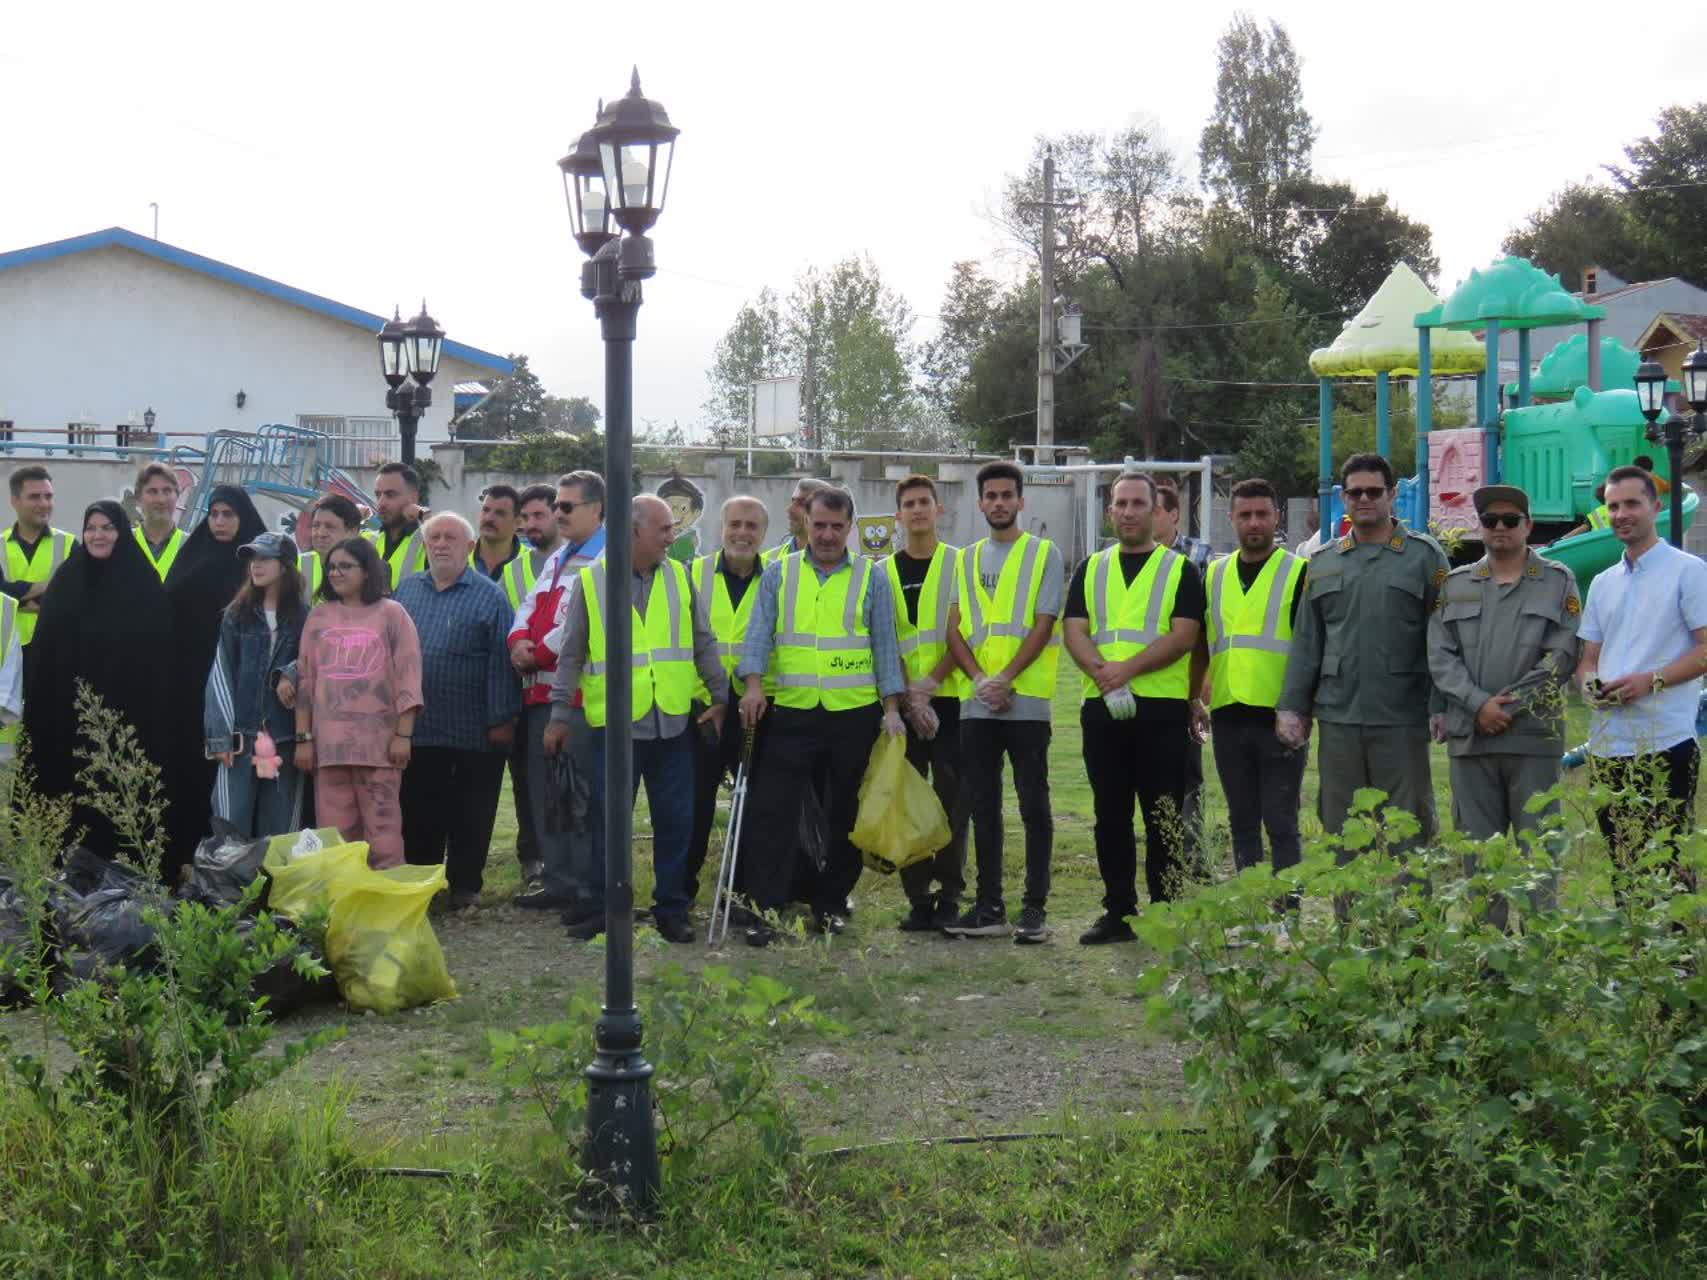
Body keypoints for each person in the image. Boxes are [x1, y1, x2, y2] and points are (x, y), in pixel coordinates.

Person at [545, 496, 729, 943]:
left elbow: (703, 642)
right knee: (609, 823)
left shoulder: (681, 578)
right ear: (633, 531)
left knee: (675, 821)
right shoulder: (592, 582)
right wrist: (558, 715)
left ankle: (672, 909)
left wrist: (721, 697)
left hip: (671, 724)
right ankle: (606, 907)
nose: (673, 536)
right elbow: (571, 655)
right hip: (617, 728)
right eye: (665, 529)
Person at [737, 486, 907, 945]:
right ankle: (767, 909)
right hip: (791, 711)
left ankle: (830, 904)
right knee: (772, 813)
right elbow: (758, 635)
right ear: (805, 524)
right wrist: (753, 686)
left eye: (836, 526)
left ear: (850, 527)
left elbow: (885, 647)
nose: (828, 535)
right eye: (819, 525)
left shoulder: (872, 579)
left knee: (845, 814)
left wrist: (892, 709)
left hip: (853, 715)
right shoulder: (778, 573)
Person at [1277, 452, 1449, 854]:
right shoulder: (1322, 562)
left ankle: (1409, 918)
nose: (1364, 499)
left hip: (1402, 717)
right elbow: (1307, 640)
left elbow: (1443, 638)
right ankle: (1350, 918)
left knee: (1410, 831)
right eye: (1355, 493)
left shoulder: (1425, 557)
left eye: (1374, 491)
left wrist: (1440, 704)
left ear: (1391, 494)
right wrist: (1292, 706)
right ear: (1344, 498)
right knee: (1342, 831)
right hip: (1339, 718)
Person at [1429, 485, 1581, 925]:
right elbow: (1440, 654)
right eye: (1490, 520)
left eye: (1510, 520)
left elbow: (1563, 653)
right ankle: (1488, 957)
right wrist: (1479, 706)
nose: (1499, 527)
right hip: (1472, 741)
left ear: (1528, 526)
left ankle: (1537, 956)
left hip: (1533, 741)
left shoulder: (1558, 581)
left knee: (1540, 859)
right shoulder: (1455, 585)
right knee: (1479, 859)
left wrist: (1507, 708)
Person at [1063, 471, 1205, 942]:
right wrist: (1103, 672)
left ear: (1155, 510)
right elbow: (1075, 630)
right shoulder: (1091, 567)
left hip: (1160, 710)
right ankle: (1119, 911)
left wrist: (1128, 670)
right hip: (1102, 708)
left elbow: (1184, 636)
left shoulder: (1179, 569)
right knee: (1110, 815)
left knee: (1162, 814)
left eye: (1137, 504)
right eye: (1120, 504)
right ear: (1110, 511)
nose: (1128, 512)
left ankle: (1165, 911)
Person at [942, 461, 1064, 944]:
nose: (998, 503)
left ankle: (1034, 906)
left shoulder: (1043, 554)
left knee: (1034, 803)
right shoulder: (966, 559)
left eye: (1006, 495)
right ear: (980, 503)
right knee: (982, 805)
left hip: (1026, 699)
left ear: (1020, 501)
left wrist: (1006, 678)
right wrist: (978, 680)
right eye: (990, 496)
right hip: (978, 703)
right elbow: (955, 629)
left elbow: (1044, 621)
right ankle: (989, 906)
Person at [1574, 464, 1707, 899]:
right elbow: (1588, 658)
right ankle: (1632, 961)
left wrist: (1651, 681)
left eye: (1631, 503)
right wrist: (1589, 685)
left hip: (1665, 741)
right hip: (1608, 745)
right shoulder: (1602, 583)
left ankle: (1679, 963)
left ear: (1655, 506)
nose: (1620, 513)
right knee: (1622, 863)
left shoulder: (1688, 572)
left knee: (1666, 863)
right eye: (1612, 506)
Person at [24, 502, 174, 862]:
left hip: (125, 717)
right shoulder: (67, 579)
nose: (98, 535)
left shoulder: (142, 582)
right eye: (91, 527)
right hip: (69, 716)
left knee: (117, 798)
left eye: (107, 527)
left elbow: (158, 654)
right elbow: (47, 650)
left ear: (121, 532)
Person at [396, 513, 521, 910]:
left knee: (473, 811)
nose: (441, 544)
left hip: (473, 729)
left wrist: (502, 719)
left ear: (469, 547)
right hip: (421, 725)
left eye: (451, 537)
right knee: (419, 809)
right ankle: (423, 884)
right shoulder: (407, 591)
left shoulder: (490, 595)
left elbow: (502, 663)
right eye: (434, 537)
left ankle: (466, 885)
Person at [1197, 477, 1308, 908]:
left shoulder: (1298, 573)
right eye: (1245, 515)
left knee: (1281, 821)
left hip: (1279, 717)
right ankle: (1253, 906)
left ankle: (1287, 912)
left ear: (1277, 518)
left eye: (1262, 514)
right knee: (1242, 820)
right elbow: (1205, 641)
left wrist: (1301, 709)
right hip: (1228, 713)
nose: (1254, 523)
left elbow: (1308, 647)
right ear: (1232, 520)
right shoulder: (1215, 574)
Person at [508, 471, 606, 909]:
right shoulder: (559, 555)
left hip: (578, 699)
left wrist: (539, 653)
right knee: (546, 792)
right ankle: (558, 878)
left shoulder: (605, 557)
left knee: (578, 795)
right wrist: (517, 641)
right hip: (539, 696)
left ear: (596, 509)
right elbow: (530, 604)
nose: (558, 514)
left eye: (567, 507)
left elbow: (576, 626)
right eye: (557, 506)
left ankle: (584, 884)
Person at [293, 537, 423, 869]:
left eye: (345, 566)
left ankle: (387, 904)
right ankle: (344, 906)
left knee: (383, 831)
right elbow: (306, 681)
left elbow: (409, 676)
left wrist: (403, 734)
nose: (336, 573)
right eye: (331, 567)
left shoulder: (392, 614)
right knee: (336, 836)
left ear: (367, 571)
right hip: (329, 748)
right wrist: (303, 738)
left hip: (379, 746)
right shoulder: (319, 617)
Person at [162, 485, 267, 879]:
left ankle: (238, 867)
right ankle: (186, 858)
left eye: (228, 514)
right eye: (214, 514)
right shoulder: (193, 557)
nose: (219, 522)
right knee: (190, 772)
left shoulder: (256, 565)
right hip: (190, 690)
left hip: (242, 692)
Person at [886, 474, 971, 933]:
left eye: (925, 502)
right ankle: (918, 897)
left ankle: (951, 894)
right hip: (901, 705)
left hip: (952, 699)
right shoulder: (882, 572)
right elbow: (884, 641)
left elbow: (966, 631)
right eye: (909, 504)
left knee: (953, 801)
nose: (917, 510)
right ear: (898, 515)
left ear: (939, 510)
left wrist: (932, 685)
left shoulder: (960, 564)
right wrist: (906, 695)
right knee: (908, 801)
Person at [685, 496, 770, 909]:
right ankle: (681, 893)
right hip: (703, 710)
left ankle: (739, 895)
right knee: (694, 806)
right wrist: (710, 699)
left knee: (753, 808)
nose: (742, 533)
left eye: (752, 526)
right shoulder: (693, 575)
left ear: (764, 534)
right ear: (721, 528)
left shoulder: (777, 578)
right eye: (735, 523)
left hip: (757, 709)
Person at [205, 533, 307, 839]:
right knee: (229, 822)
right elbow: (220, 675)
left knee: (279, 826)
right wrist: (220, 738)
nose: (256, 565)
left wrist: (291, 672)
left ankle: (272, 886)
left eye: (265, 559)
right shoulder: (237, 615)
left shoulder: (304, 617)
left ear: (285, 566)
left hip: (284, 738)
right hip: (241, 738)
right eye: (253, 559)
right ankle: (229, 886)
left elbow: (317, 662)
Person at [501, 483, 561, 891]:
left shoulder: (580, 562)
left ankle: (561, 865)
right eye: (524, 518)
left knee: (560, 783)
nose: (529, 525)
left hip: (561, 690)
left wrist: (536, 652)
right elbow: (512, 618)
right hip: (519, 689)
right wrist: (518, 645)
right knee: (526, 781)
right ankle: (535, 859)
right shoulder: (514, 569)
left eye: (538, 516)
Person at [1151, 477, 1213, 872]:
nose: (1144, 516)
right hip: (1144, 683)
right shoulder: (1121, 559)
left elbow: (1205, 627)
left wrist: (1199, 686)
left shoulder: (1199, 558)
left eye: (1154, 509)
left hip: (1187, 678)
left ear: (1173, 515)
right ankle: (1161, 851)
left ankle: (1192, 851)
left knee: (1190, 771)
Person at [0, 465, 77, 683]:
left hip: (55, 649)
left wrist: (14, 596)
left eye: (48, 496)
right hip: (4, 650)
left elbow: (77, 596)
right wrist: (51, 586)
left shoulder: (69, 544)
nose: (43, 504)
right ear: (14, 501)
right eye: (34, 497)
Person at [366, 462, 429, 589]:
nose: (381, 503)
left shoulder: (428, 540)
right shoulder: (368, 538)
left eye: (390, 495)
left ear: (413, 497)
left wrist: (424, 515)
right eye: (378, 495)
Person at [299, 494, 364, 600]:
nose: (320, 533)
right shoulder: (298, 564)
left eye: (330, 527)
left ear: (353, 532)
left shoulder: (367, 574)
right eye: (316, 526)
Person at [133, 463, 186, 580]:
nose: (161, 500)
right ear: (138, 498)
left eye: (167, 491)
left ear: (177, 495)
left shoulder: (191, 545)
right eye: (152, 491)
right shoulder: (123, 542)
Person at [764, 477, 832, 564]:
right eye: (792, 501)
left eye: (802, 504)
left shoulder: (850, 564)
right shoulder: (769, 560)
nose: (790, 510)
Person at [471, 484, 522, 582]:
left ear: (518, 522)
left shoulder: (535, 562)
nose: (488, 518)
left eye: (500, 513)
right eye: (485, 510)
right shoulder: (459, 556)